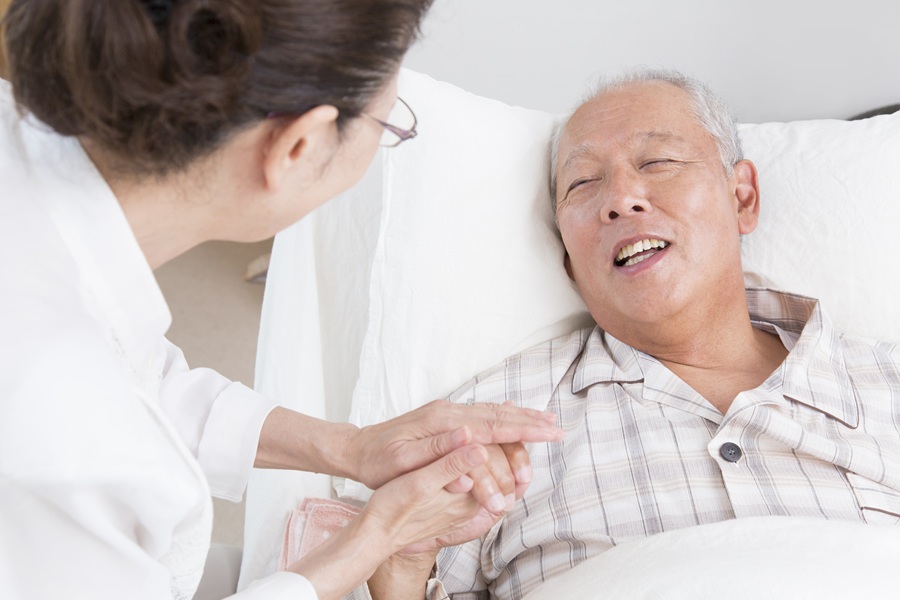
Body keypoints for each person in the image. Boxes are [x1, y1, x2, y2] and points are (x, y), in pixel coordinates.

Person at [0, 1, 566, 599]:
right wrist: (380, 533)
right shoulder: (56, 426)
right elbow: (90, 415)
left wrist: (351, 447)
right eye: (388, 125)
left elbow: (134, 380)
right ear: (297, 147)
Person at [359, 68, 900, 599]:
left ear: (742, 198)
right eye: (583, 183)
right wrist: (402, 564)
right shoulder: (489, 425)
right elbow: (394, 568)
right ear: (570, 262)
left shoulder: (888, 383)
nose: (620, 198)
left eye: (657, 162)